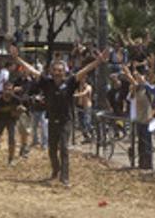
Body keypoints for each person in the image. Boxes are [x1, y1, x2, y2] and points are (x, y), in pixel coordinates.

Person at [15, 48, 106, 187]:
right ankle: (55, 170)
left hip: (66, 120)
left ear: (64, 72)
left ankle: (65, 177)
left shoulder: (70, 82)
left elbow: (84, 70)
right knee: (52, 149)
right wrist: (17, 58)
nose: (58, 73)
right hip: (51, 119)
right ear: (51, 71)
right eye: (55, 70)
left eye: (60, 70)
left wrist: (98, 61)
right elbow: (32, 70)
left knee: (64, 147)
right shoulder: (47, 82)